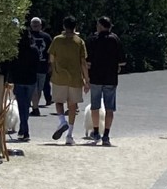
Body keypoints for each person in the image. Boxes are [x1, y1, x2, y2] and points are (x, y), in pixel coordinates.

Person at [49, 16, 89, 145]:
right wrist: (86, 79)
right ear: (75, 26)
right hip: (75, 77)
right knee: (72, 106)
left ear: (64, 26)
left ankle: (62, 121)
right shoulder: (79, 41)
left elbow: (51, 58)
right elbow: (83, 62)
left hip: (59, 76)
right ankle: (70, 135)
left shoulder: (56, 40)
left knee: (58, 101)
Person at [84, 16, 123, 146]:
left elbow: (87, 61)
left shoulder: (92, 40)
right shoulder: (115, 39)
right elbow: (122, 60)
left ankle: (96, 132)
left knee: (95, 106)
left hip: (95, 77)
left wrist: (86, 77)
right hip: (110, 78)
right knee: (109, 108)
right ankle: (106, 134)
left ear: (100, 25)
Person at [6, 25, 39, 141]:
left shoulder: (15, 49)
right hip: (31, 80)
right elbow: (37, 65)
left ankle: (24, 129)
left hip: (19, 80)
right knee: (26, 105)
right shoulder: (34, 49)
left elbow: (11, 65)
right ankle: (23, 128)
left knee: (22, 106)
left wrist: (9, 78)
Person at [26, 17, 52, 114]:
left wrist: (50, 64)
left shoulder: (29, 36)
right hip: (37, 67)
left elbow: (50, 52)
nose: (35, 27)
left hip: (38, 67)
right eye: (34, 25)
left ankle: (34, 106)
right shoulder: (46, 37)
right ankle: (35, 107)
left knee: (37, 88)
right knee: (37, 88)